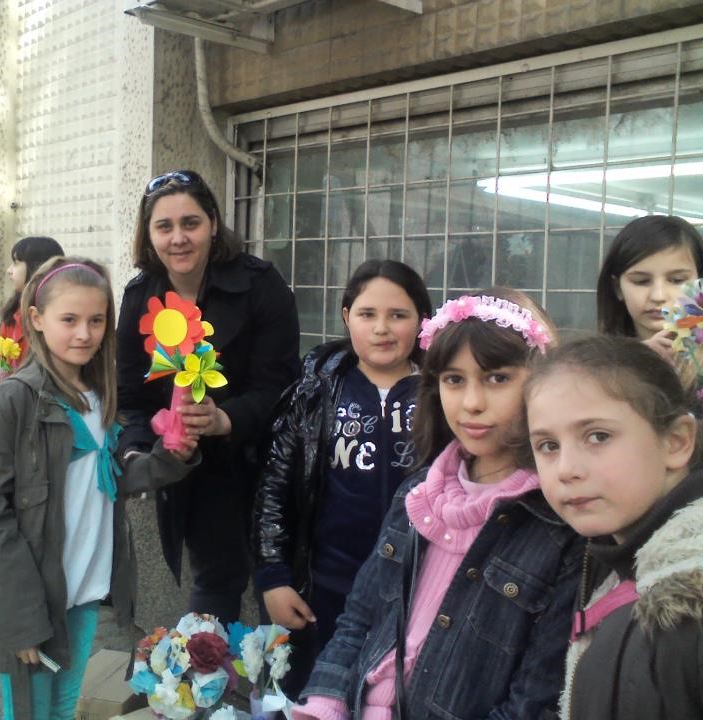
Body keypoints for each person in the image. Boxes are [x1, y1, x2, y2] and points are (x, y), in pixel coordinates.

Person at [295, 289, 582, 720]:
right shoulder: (418, 495)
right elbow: (359, 620)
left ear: (540, 384)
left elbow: (534, 697)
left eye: (497, 378)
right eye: (454, 379)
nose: (472, 403)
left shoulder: (558, 525)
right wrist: (323, 706)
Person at [0, 257, 200, 720]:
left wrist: (170, 457)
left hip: (84, 586)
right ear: (36, 320)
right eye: (70, 320)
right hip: (32, 596)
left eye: (96, 321)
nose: (84, 333)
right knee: (32, 713)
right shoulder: (12, 402)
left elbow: (109, 477)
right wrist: (20, 617)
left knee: (62, 707)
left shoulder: (99, 394)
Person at [116, 170, 301, 624]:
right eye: (164, 226)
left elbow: (282, 385)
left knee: (278, 585)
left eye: (191, 223)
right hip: (193, 472)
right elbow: (131, 395)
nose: (178, 238)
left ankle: (279, 667)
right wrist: (139, 451)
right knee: (214, 583)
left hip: (263, 461)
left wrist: (226, 419)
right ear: (149, 234)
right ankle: (203, 666)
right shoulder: (140, 296)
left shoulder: (261, 284)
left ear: (213, 224)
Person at [253, 259, 432, 699]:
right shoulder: (316, 391)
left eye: (398, 315)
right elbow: (275, 486)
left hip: (419, 590)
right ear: (347, 317)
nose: (382, 328)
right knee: (322, 696)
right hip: (326, 588)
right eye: (368, 314)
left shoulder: (441, 394)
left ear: (422, 320)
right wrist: (273, 577)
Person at [525, 335, 703, 720]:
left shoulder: (690, 609)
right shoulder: (608, 561)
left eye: (598, 437)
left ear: (676, 442)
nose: (566, 469)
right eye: (548, 445)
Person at [596, 215, 703, 362]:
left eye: (676, 280)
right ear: (617, 288)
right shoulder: (597, 363)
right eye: (641, 281)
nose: (658, 296)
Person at [0, 236, 63, 391]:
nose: (9, 270)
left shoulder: (55, 319)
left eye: (16, 263)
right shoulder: (12, 316)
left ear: (36, 267)